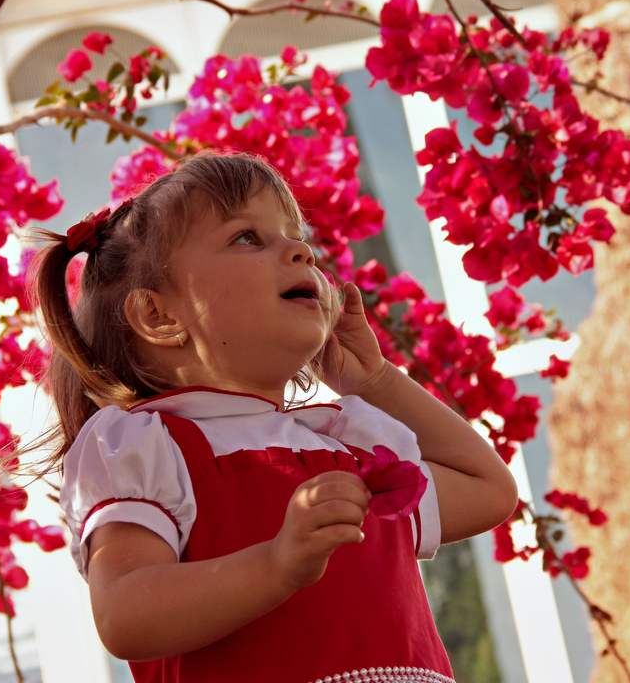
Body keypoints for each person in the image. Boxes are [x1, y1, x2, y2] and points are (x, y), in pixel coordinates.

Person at [32, 151, 519, 683]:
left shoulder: (345, 445)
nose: (300, 251)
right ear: (158, 314)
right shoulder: (145, 444)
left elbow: (489, 489)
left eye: (296, 234)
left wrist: (374, 381)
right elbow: (125, 613)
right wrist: (276, 564)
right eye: (247, 237)